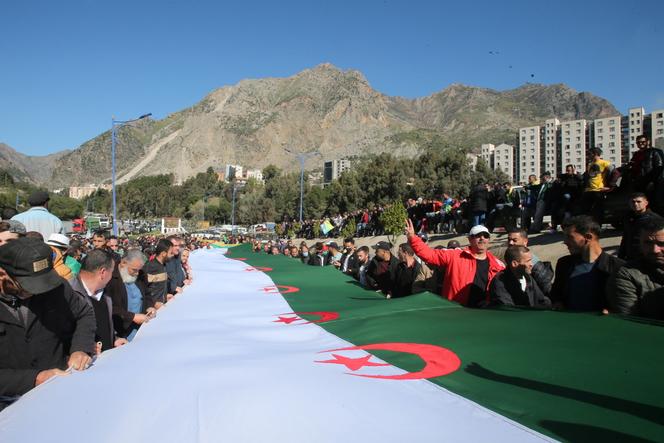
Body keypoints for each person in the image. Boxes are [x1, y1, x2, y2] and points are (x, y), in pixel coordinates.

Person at [0, 237, 96, 410]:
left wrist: (80, 348)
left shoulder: (56, 287)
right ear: (3, 273)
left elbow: (84, 313)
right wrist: (34, 379)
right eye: (29, 285)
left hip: (56, 394)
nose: (40, 290)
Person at [407, 221, 505, 307]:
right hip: (456, 311)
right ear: (470, 239)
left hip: (484, 314)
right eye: (478, 235)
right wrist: (412, 238)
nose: (482, 238)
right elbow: (429, 254)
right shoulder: (455, 256)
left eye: (486, 236)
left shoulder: (497, 265)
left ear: (489, 239)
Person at [550, 215, 624, 312]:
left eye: (570, 237)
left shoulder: (617, 267)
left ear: (588, 237)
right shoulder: (564, 264)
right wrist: (558, 303)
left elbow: (623, 303)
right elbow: (556, 294)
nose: (565, 242)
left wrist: (610, 310)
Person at [69, 249, 125, 353]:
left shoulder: (105, 294)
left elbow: (104, 326)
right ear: (103, 272)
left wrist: (114, 339)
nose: (112, 276)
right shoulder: (69, 294)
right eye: (112, 272)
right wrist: (83, 347)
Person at [608, 218, 664, 318]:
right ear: (640, 243)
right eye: (648, 243)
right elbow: (630, 321)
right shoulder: (627, 274)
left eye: (661, 244)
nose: (655, 250)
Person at [106, 249, 155, 340]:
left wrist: (150, 306)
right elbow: (108, 306)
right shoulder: (110, 277)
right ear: (123, 262)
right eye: (134, 270)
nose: (137, 273)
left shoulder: (140, 274)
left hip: (140, 327)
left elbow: (147, 293)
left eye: (139, 270)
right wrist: (132, 317)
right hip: (120, 331)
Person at [505, 229, 554, 296]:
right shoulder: (508, 258)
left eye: (514, 240)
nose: (510, 243)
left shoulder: (535, 265)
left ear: (525, 241)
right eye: (509, 240)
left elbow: (547, 291)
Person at [618, 193, 663, 261]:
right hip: (630, 257)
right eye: (633, 202)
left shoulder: (654, 219)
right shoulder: (628, 217)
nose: (635, 204)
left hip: (646, 258)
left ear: (646, 203)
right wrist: (621, 256)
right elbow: (626, 238)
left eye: (639, 202)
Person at [629, 135, 664, 215]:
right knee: (641, 205)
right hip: (639, 184)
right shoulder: (636, 154)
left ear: (648, 142)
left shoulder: (655, 151)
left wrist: (652, 182)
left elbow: (659, 168)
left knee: (654, 204)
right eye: (638, 142)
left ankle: (658, 224)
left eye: (643, 142)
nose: (641, 143)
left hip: (652, 184)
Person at [580, 147, 612, 225]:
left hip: (598, 190)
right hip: (588, 190)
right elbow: (587, 176)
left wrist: (610, 186)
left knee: (598, 210)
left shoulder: (605, 163)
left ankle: (598, 227)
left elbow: (613, 173)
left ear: (595, 154)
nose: (588, 155)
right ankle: (588, 226)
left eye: (590, 154)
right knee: (586, 210)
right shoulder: (590, 164)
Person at [141, 238, 174, 309]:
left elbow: (159, 288)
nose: (173, 255)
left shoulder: (164, 265)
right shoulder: (149, 267)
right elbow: (142, 289)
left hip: (162, 307)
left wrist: (165, 296)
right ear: (163, 254)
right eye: (171, 253)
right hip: (152, 310)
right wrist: (153, 303)